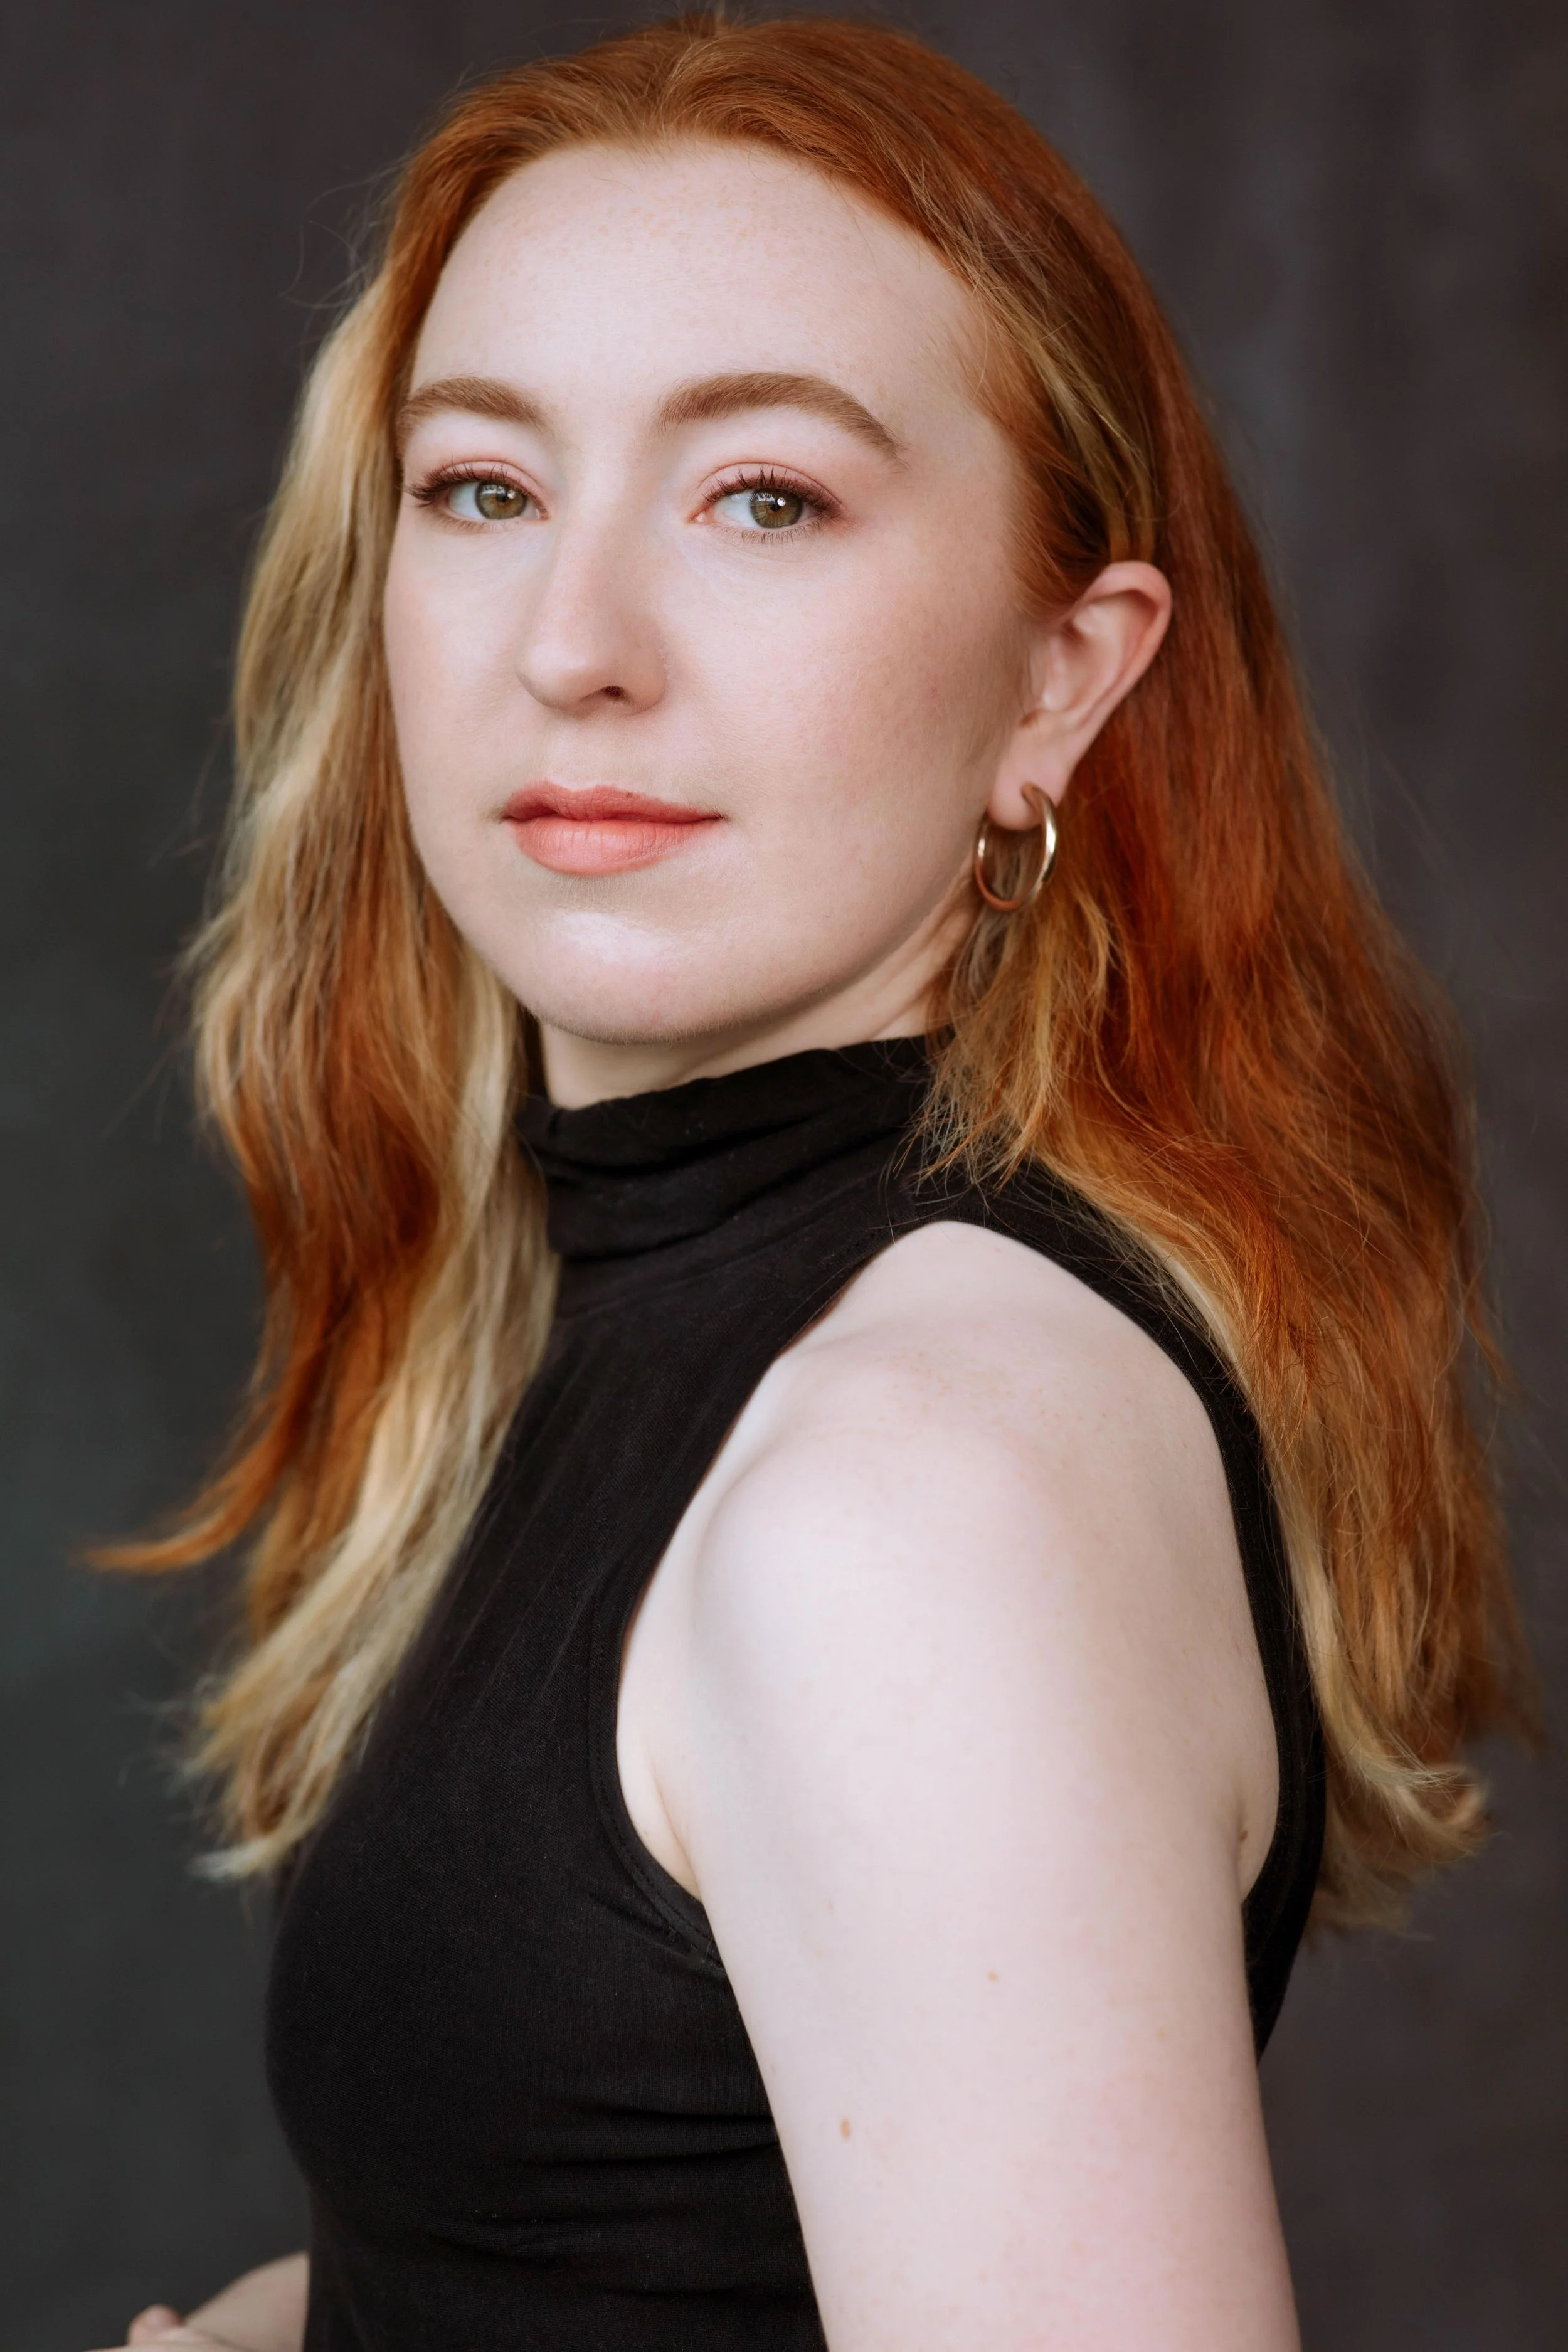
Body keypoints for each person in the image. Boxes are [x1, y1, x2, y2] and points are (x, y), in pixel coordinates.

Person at [92, 13, 1530, 2350]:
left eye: (761, 498)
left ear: (1062, 675)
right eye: (482, 490)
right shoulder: (684, 1309)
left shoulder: (902, 1495)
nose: (573, 647)